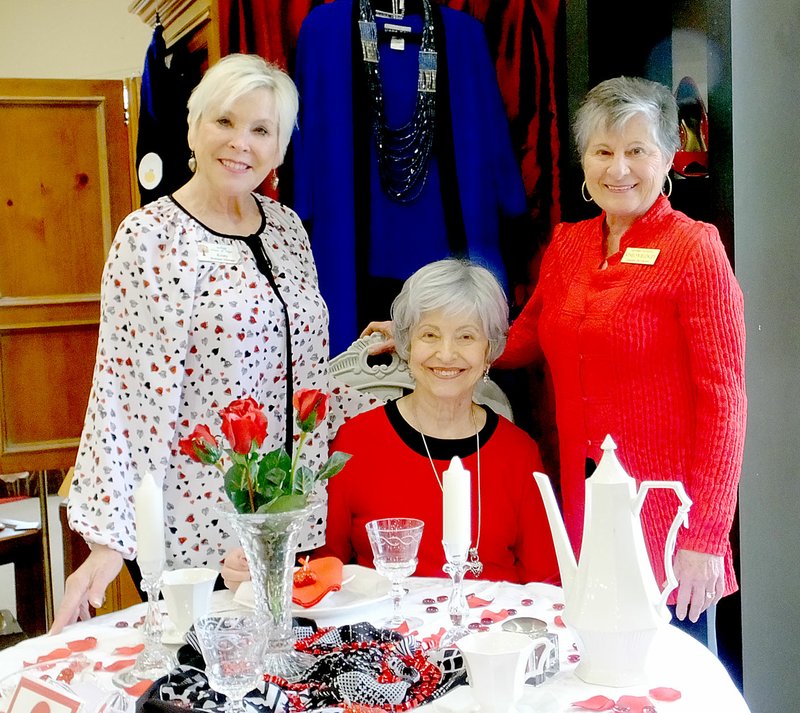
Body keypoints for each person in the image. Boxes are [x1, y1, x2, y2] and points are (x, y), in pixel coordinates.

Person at [51, 54, 370, 633]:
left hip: (285, 515)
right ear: (193, 126)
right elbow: (125, 393)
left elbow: (301, 378)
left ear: (280, 147)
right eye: (225, 122)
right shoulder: (150, 237)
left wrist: (380, 365)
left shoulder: (288, 229)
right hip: (198, 526)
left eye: (261, 130)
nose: (240, 143)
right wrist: (108, 542)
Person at [495, 76, 746, 646]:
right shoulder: (570, 243)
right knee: (594, 668)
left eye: (637, 151)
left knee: (663, 676)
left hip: (666, 515)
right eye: (603, 151)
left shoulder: (693, 248)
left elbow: (725, 400)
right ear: (584, 161)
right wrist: (437, 342)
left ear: (666, 157)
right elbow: (527, 335)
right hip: (584, 504)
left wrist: (706, 537)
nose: (619, 168)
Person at [317, 259, 559, 585]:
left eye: (466, 337)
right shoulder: (356, 442)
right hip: (386, 630)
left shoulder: (519, 452)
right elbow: (323, 574)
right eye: (430, 335)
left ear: (490, 351)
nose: (446, 355)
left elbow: (546, 585)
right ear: (407, 344)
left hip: (492, 631)